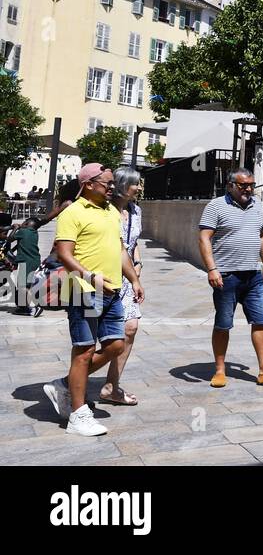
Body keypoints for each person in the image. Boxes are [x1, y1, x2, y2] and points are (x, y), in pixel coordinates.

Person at [41, 164, 144, 437]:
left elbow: (120, 250)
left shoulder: (111, 211)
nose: (112, 187)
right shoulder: (73, 212)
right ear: (88, 184)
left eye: (112, 183)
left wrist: (133, 279)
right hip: (82, 290)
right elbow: (64, 254)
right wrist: (90, 277)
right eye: (106, 183)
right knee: (84, 351)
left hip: (111, 292)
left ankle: (65, 384)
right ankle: (77, 414)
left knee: (115, 345)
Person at [198, 169, 263, 388]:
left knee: (260, 321)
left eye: (251, 184)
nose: (248, 189)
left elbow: (262, 235)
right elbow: (204, 239)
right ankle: (220, 370)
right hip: (226, 276)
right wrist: (212, 269)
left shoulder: (257, 205)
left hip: (253, 275)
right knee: (223, 323)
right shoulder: (216, 206)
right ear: (230, 185)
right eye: (243, 185)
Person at [100, 167, 144, 406]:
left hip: (128, 278)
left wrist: (138, 263)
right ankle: (70, 384)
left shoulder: (136, 211)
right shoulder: (104, 210)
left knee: (131, 328)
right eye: (134, 183)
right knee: (93, 339)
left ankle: (111, 386)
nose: (138, 188)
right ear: (121, 184)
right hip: (103, 277)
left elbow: (133, 242)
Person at [11, 216, 42, 316]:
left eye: (24, 222)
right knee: (26, 284)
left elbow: (10, 239)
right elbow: (22, 245)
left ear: (27, 224)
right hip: (34, 261)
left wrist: (15, 228)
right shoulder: (34, 233)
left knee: (23, 285)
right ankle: (24, 307)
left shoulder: (23, 232)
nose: (22, 224)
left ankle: (33, 306)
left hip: (26, 262)